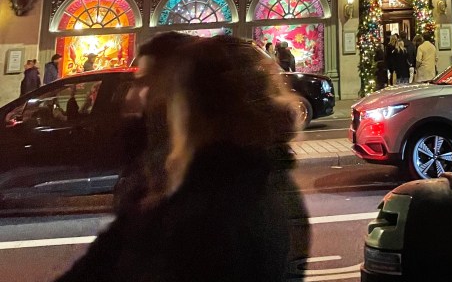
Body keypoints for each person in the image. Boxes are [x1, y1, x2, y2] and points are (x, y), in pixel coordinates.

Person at [54, 36, 309, 282]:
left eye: (170, 94)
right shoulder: (242, 182)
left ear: (197, 109)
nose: (137, 97)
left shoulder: (212, 211)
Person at [114, 31, 197, 214]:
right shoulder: (145, 153)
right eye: (137, 82)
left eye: (146, 81)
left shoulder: (204, 186)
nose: (131, 95)